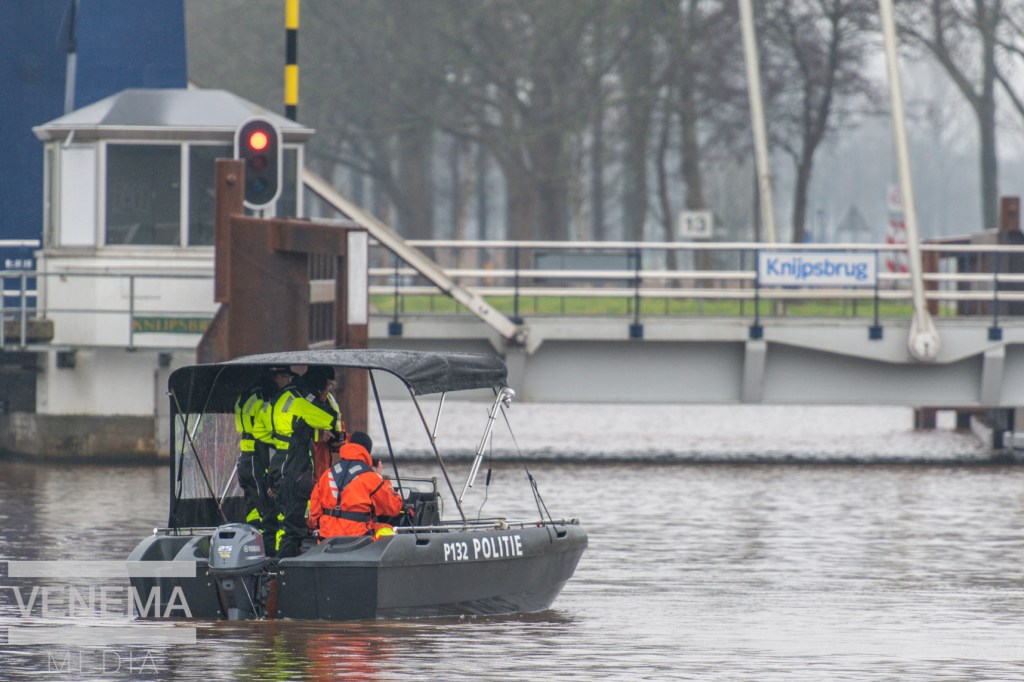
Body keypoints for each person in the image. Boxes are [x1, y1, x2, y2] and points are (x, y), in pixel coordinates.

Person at [266, 365, 343, 558]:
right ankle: (283, 569)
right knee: (293, 524)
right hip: (293, 465)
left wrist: (311, 431)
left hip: (280, 461)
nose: (329, 391)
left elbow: (291, 427)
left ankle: (277, 565)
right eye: (328, 386)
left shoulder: (284, 396)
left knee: (284, 517)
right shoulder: (302, 398)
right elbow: (329, 418)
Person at [308, 431, 404, 541]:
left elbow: (314, 516)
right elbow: (394, 507)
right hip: (358, 539)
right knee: (388, 530)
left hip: (326, 538)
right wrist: (382, 478)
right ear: (367, 452)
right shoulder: (371, 477)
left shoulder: (327, 474)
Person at [233, 368, 280, 553]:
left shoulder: (244, 396)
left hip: (244, 459)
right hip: (255, 457)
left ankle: (251, 543)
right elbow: (263, 430)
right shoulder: (263, 397)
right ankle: (268, 551)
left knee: (252, 505)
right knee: (266, 508)